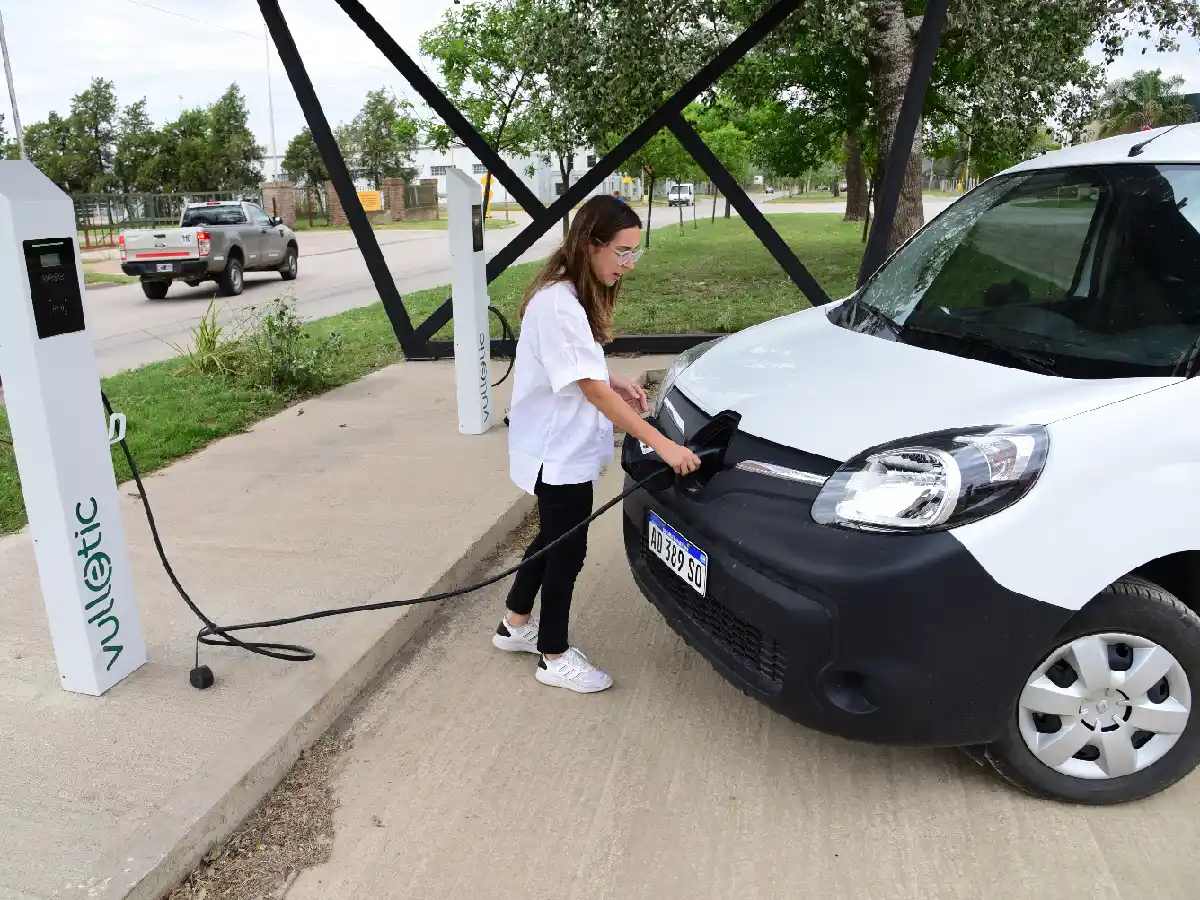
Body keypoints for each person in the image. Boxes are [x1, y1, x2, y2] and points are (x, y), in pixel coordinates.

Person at [495, 195, 701, 693]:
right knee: (568, 551)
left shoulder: (564, 292)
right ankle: (554, 654)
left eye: (635, 253)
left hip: (559, 445)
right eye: (622, 252)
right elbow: (589, 390)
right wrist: (662, 446)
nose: (628, 265)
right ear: (591, 245)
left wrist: (614, 377)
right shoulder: (560, 305)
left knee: (552, 538)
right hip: (556, 450)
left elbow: (580, 365)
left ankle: (514, 624)